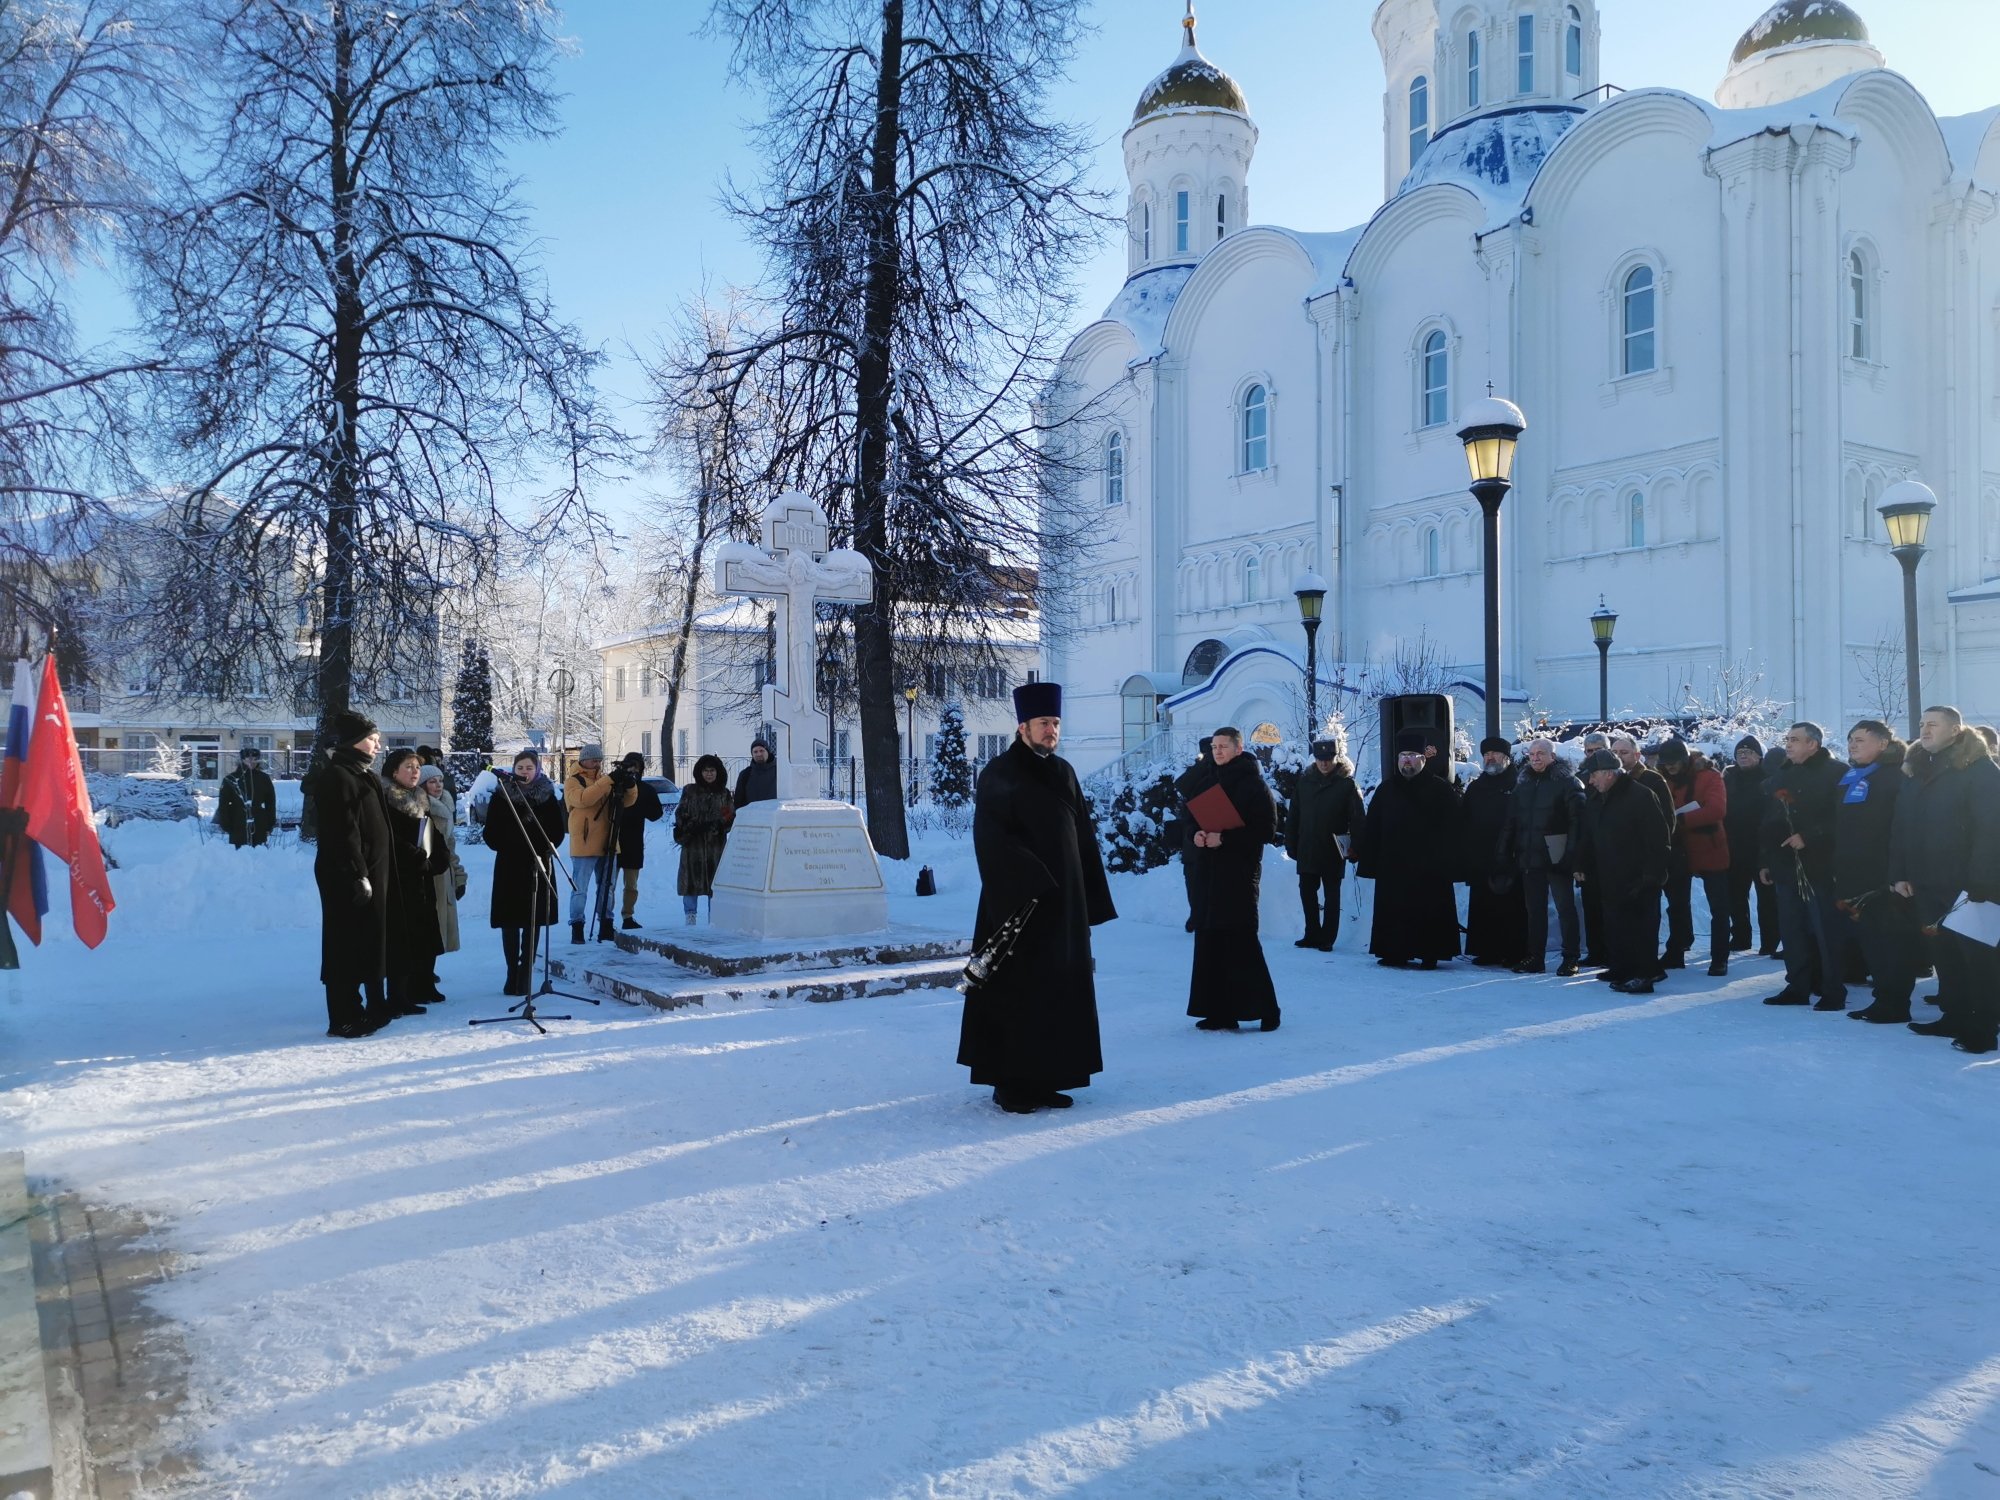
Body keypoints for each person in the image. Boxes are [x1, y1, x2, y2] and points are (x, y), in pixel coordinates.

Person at [959, 682, 1115, 1114]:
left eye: (1057, 723)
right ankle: (1011, 1084)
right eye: (1045, 723)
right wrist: (1031, 880)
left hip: (1063, 907)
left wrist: (1089, 896)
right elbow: (990, 838)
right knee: (1018, 994)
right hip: (1019, 906)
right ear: (1023, 726)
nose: (1052, 731)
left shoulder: (1064, 772)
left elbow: (1081, 836)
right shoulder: (999, 773)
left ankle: (1048, 1078)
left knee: (1058, 993)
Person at [1890, 705, 2000, 1053]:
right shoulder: (1917, 770)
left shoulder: (1980, 770)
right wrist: (1899, 873)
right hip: (1927, 880)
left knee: (1978, 961)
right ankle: (1953, 1016)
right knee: (1945, 957)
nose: (1924, 730)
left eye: (1933, 724)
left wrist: (1982, 879)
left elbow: (1992, 828)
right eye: (1922, 724)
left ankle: (1982, 1029)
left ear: (1955, 730)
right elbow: (1902, 826)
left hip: (1969, 885)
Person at [1179, 726, 1280, 1032]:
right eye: (1215, 746)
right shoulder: (1204, 779)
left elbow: (1266, 831)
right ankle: (1219, 1011)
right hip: (1207, 874)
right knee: (1210, 943)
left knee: (1242, 943)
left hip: (1238, 874)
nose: (1218, 751)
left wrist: (1224, 839)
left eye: (1224, 746)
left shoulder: (1254, 785)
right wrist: (1195, 835)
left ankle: (1267, 1010)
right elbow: (1189, 819)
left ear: (1239, 749)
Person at [313, 712, 395, 1037]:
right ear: (354, 742)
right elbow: (341, 833)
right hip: (345, 875)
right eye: (373, 739)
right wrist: (357, 874)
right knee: (343, 944)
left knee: (367, 941)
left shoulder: (363, 774)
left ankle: (368, 1007)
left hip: (370, 873)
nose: (378, 745)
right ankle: (343, 1016)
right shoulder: (337, 777)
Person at [1354, 730, 1462, 970]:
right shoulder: (1386, 790)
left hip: (1429, 868)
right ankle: (1394, 952)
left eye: (1412, 755)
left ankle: (1429, 953)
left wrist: (1449, 863)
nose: (1407, 760)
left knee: (1429, 911)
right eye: (1403, 755)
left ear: (1423, 758)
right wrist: (1369, 860)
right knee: (1394, 910)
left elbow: (1453, 830)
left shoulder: (1441, 790)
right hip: (1393, 866)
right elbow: (1373, 828)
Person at [1758, 721, 1847, 1009]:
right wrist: (1766, 859)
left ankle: (1832, 989)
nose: (1788, 744)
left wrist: (1809, 836)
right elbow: (1769, 820)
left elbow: (1843, 819)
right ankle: (1797, 985)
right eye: (1787, 739)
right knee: (1792, 928)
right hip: (1785, 865)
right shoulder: (1782, 774)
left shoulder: (1837, 773)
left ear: (1813, 744)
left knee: (1824, 929)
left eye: (1795, 739)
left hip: (1819, 865)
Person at [1833, 722, 1917, 1025]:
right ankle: (1883, 999)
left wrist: (1898, 872)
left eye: (1860, 740)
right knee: (1872, 941)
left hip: (1885, 875)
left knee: (1891, 941)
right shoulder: (1852, 775)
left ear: (1883, 744)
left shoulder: (1897, 776)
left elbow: (1902, 829)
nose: (1852, 745)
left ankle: (1895, 1003)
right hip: (1855, 873)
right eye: (1850, 740)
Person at [1573, 749, 1671, 993]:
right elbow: (1588, 834)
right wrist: (1581, 864)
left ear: (1608, 774)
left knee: (1641, 928)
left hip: (1639, 876)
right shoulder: (1596, 797)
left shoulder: (1640, 795)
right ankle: (1622, 968)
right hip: (1609, 874)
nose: (1590, 780)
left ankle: (1645, 974)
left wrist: (1652, 874)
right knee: (1616, 925)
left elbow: (1659, 838)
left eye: (1593, 775)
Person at [486, 750, 567, 997]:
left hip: (537, 864)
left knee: (533, 921)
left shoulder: (547, 796)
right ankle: (512, 971)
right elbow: (490, 833)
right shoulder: (501, 796)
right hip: (509, 865)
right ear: (513, 769)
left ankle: (526, 972)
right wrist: (510, 841)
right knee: (510, 922)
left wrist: (541, 848)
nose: (524, 772)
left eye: (529, 768)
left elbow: (557, 833)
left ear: (537, 769)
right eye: (520, 768)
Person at [1502, 737, 1585, 976]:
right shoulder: (1523, 783)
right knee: (1534, 910)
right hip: (1530, 857)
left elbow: (1577, 823)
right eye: (1532, 754)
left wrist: (1571, 855)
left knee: (1565, 908)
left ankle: (1571, 957)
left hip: (1557, 856)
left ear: (1552, 756)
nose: (1535, 758)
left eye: (1541, 753)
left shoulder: (1568, 782)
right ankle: (1535, 957)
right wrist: (1507, 851)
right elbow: (1513, 820)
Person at [1655, 738, 1731, 977]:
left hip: (1709, 847)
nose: (1671, 767)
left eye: (1675, 763)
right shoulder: (1662, 778)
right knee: (1677, 904)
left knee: (1719, 907)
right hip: (1678, 850)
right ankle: (1675, 951)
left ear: (1686, 759)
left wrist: (1679, 820)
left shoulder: (1709, 776)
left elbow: (1717, 810)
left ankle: (1720, 958)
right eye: (1666, 763)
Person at [380, 748, 447, 1016]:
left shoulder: (420, 799)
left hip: (423, 876)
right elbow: (389, 839)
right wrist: (415, 856)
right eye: (408, 767)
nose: (414, 771)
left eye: (417, 767)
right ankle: (399, 993)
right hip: (399, 879)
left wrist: (438, 859)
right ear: (393, 772)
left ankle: (422, 984)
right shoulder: (386, 800)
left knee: (425, 932)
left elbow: (433, 836)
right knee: (402, 937)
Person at [1284, 736, 1364, 951]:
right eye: (1320, 759)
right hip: (1308, 846)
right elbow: (1294, 815)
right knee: (1307, 892)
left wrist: (1356, 845)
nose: (1324, 763)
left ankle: (1327, 938)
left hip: (1333, 849)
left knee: (1331, 895)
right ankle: (1311, 933)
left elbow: (1357, 818)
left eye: (1328, 758)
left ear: (1335, 757)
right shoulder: (1305, 782)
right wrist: (1290, 842)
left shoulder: (1346, 784)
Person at [1611, 734, 1675, 984]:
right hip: (1620, 862)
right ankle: (1625, 966)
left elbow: (1667, 820)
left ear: (1637, 756)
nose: (1618, 757)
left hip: (1645, 860)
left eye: (1623, 753)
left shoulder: (1651, 780)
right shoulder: (1612, 781)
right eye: (1614, 752)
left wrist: (1655, 858)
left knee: (1646, 917)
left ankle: (1649, 967)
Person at [1459, 736, 1525, 969]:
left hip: (1511, 856)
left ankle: (1513, 952)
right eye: (1487, 755)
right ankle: (1486, 950)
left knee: (1512, 906)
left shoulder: (1519, 784)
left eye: (1495, 754)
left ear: (1506, 758)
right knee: (1483, 905)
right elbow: (1465, 820)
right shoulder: (1476, 787)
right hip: (1482, 856)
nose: (1490, 758)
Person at [565, 743, 636, 943]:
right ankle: (577, 926)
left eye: (599, 760)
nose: (597, 763)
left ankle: (606, 924)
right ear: (583, 760)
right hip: (584, 844)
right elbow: (584, 799)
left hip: (609, 842)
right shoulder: (574, 781)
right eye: (593, 760)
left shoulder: (604, 781)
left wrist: (630, 784)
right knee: (580, 888)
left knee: (608, 887)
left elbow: (627, 802)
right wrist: (607, 781)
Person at [1723, 735, 1778, 957]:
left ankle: (1770, 941)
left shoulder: (1769, 778)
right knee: (1735, 896)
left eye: (1748, 752)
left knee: (1767, 899)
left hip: (1762, 846)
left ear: (1759, 756)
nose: (1743, 756)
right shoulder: (1729, 778)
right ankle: (1740, 937)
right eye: (1739, 753)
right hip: (1735, 846)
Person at [417, 764, 466, 1000]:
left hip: (443, 873)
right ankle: (421, 979)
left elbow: (450, 847)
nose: (437, 785)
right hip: (427, 874)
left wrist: (458, 875)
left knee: (438, 930)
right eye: (431, 781)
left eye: (440, 780)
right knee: (428, 928)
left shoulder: (446, 805)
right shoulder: (421, 807)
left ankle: (428, 976)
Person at [673, 754, 734, 925]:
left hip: (715, 846)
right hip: (693, 845)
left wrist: (719, 825)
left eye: (712, 770)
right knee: (690, 881)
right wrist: (691, 826)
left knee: (715, 883)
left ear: (718, 772)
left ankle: (713, 918)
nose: (709, 774)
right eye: (705, 771)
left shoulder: (723, 793)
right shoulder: (690, 791)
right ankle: (690, 916)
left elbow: (729, 816)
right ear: (700, 772)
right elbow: (680, 813)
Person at [613, 751, 666, 928]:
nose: (632, 770)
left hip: (634, 841)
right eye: (629, 766)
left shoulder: (646, 789)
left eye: (636, 767)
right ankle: (605, 919)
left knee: (631, 885)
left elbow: (656, 814)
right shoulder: (614, 785)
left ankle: (627, 916)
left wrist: (641, 808)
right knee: (608, 884)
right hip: (612, 840)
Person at [1575, 730, 1610, 967]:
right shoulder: (1579, 779)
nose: (1593, 755)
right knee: (1591, 906)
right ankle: (1596, 951)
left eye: (1598, 751)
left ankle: (1612, 950)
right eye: (1589, 751)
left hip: (1611, 853)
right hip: (1587, 852)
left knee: (1611, 906)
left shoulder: (1614, 778)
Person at [215, 746, 277, 848]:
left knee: (258, 855)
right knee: (240, 856)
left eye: (255, 759)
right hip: (237, 822)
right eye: (249, 758)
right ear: (243, 759)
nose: (252, 761)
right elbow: (223, 804)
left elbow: (270, 802)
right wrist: (226, 824)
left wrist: (270, 823)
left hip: (259, 823)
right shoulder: (231, 779)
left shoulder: (263, 778)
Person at [734, 738, 777, 807]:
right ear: (752, 754)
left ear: (768, 752)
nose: (759, 754)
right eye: (755, 752)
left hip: (773, 816)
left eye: (761, 750)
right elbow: (738, 801)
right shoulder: (745, 774)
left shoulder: (779, 772)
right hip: (751, 816)